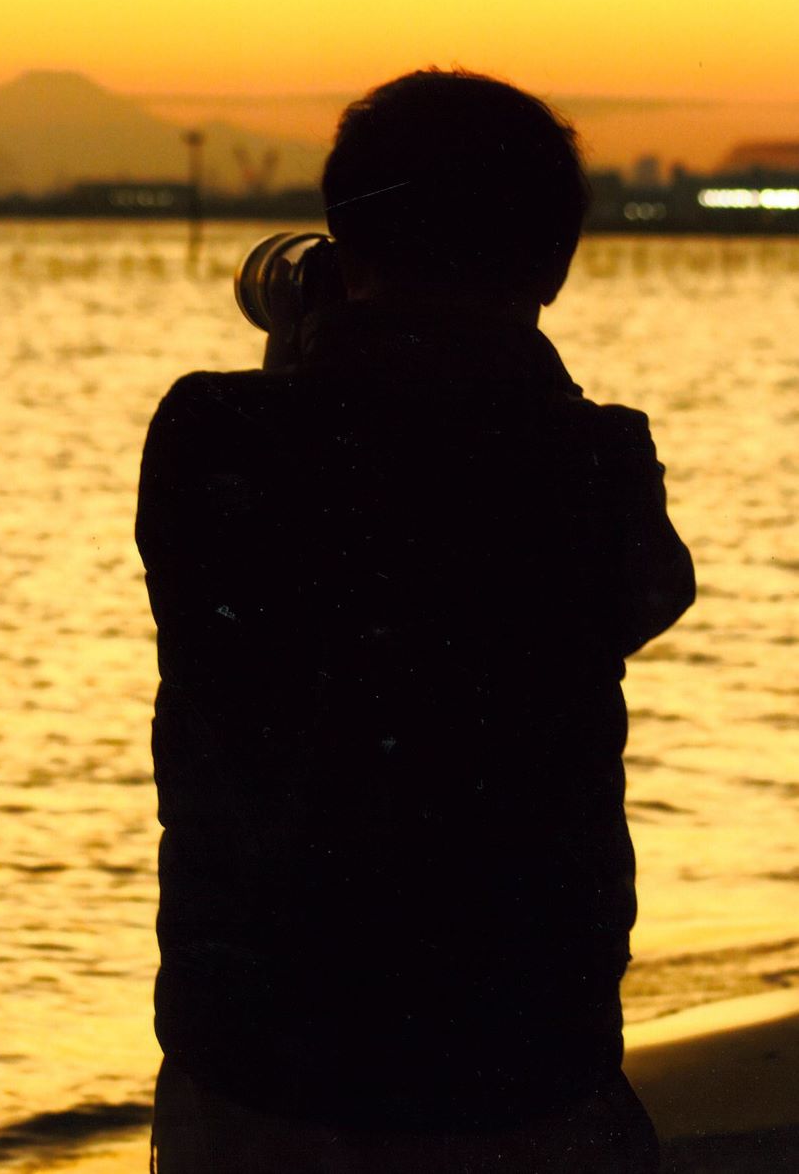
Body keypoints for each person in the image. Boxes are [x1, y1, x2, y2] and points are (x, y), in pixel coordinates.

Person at [136, 69, 695, 1172]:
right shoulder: (590, 462)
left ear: (346, 246)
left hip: (262, 1050)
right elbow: (645, 592)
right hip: (517, 1051)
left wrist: (306, 361)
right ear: (553, 262)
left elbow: (224, 571)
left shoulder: (213, 437)